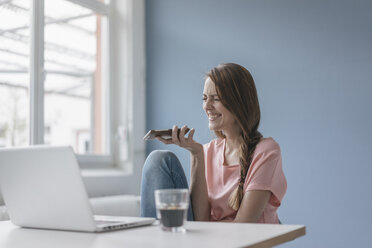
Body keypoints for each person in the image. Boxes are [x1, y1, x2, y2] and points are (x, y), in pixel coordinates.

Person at [140, 63, 287, 223]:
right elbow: (202, 221)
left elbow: (244, 228)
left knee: (160, 160)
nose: (207, 106)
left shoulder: (266, 151)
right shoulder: (207, 151)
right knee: (159, 160)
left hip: (240, 241)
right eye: (204, 98)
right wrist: (196, 154)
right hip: (207, 238)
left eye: (216, 99)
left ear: (239, 102)